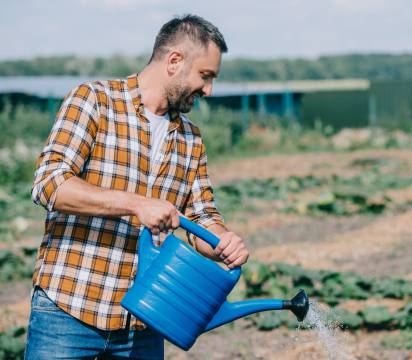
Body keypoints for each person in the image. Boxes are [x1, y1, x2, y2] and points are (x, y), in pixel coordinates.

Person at [24, 14, 249, 359]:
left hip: (143, 323)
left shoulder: (191, 138)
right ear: (174, 61)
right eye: (205, 76)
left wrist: (222, 242)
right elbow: (50, 183)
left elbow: (202, 216)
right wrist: (136, 204)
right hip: (70, 311)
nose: (208, 90)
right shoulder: (95, 101)